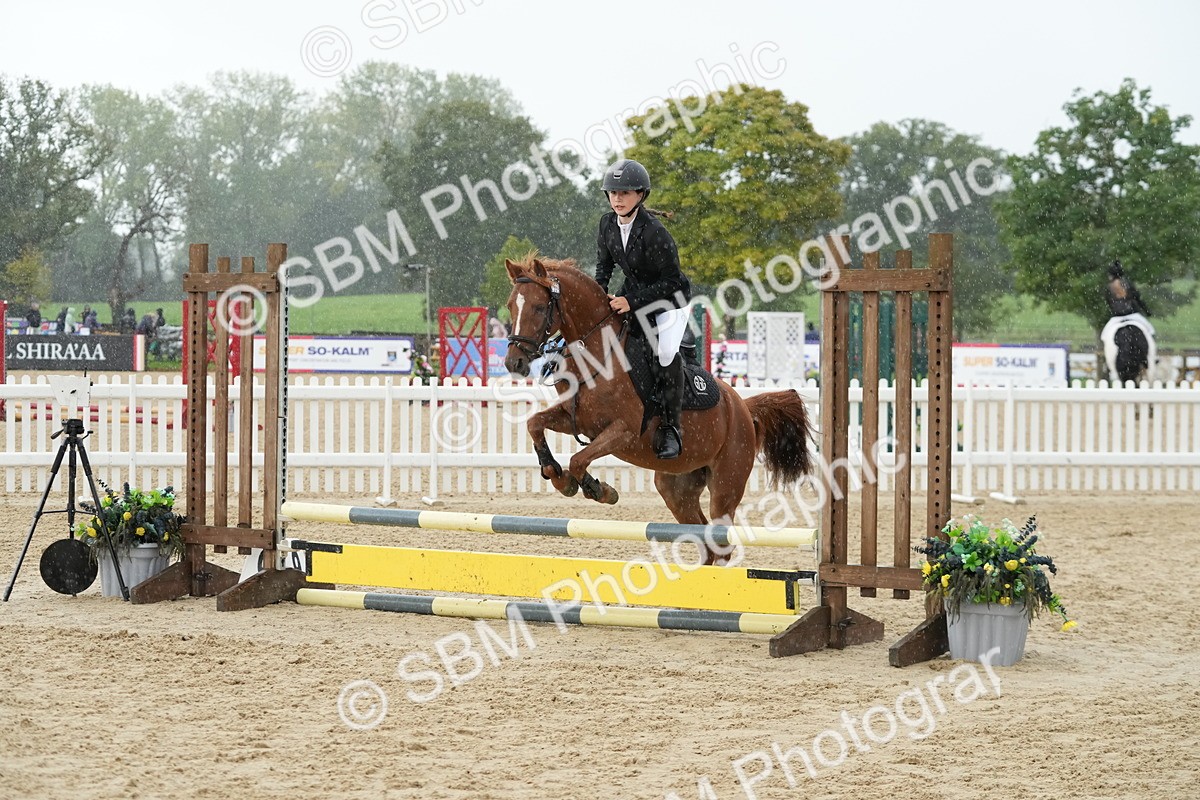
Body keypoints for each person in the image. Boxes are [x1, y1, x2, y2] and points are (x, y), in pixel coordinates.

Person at [594, 158, 691, 460]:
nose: (617, 199)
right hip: (633, 296)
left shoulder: (654, 232)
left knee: (663, 354)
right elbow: (604, 266)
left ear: (641, 196)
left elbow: (672, 280)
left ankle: (672, 429)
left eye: (625, 193)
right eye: (613, 193)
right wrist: (599, 297)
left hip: (669, 301)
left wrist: (631, 302)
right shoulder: (607, 223)